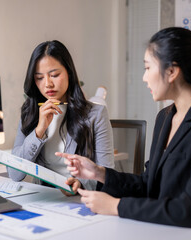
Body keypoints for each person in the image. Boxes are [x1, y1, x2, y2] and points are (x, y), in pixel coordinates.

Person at [56, 27, 191, 227]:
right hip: (164, 228)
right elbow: (148, 184)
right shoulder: (165, 118)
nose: (144, 78)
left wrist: (116, 206)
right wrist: (99, 173)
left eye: (147, 68)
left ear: (171, 72)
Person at [9, 40, 115, 195]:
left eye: (54, 75)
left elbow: (107, 172)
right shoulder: (30, 112)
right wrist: (39, 131)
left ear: (69, 73)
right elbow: (14, 174)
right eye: (39, 78)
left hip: (79, 199)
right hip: (43, 198)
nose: (47, 84)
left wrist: (80, 183)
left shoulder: (96, 114)